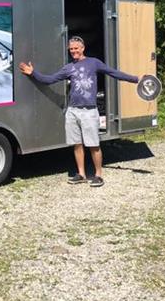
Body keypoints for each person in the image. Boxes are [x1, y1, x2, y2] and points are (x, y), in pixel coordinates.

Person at [19, 36, 139, 187]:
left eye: (76, 48)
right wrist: (33, 73)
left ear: (82, 48)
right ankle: (81, 174)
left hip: (89, 111)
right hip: (73, 111)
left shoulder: (94, 63)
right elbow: (49, 79)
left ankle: (98, 175)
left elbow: (113, 73)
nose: (74, 51)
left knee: (93, 144)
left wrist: (136, 79)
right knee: (77, 144)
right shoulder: (68, 68)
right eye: (71, 49)